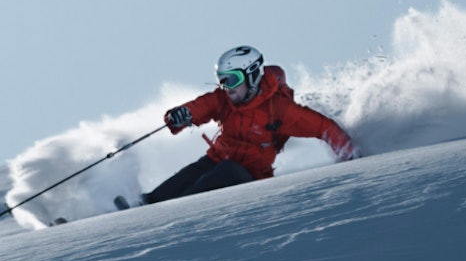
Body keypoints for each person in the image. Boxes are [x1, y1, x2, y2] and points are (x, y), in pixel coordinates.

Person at [131, 45, 360, 206]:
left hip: (250, 177)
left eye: (232, 79)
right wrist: (181, 115)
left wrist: (349, 154)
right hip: (217, 159)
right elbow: (200, 106)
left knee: (226, 171)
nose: (227, 87)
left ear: (251, 75)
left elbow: (322, 127)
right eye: (222, 79)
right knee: (195, 171)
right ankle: (148, 204)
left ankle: (180, 208)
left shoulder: (278, 109)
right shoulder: (224, 99)